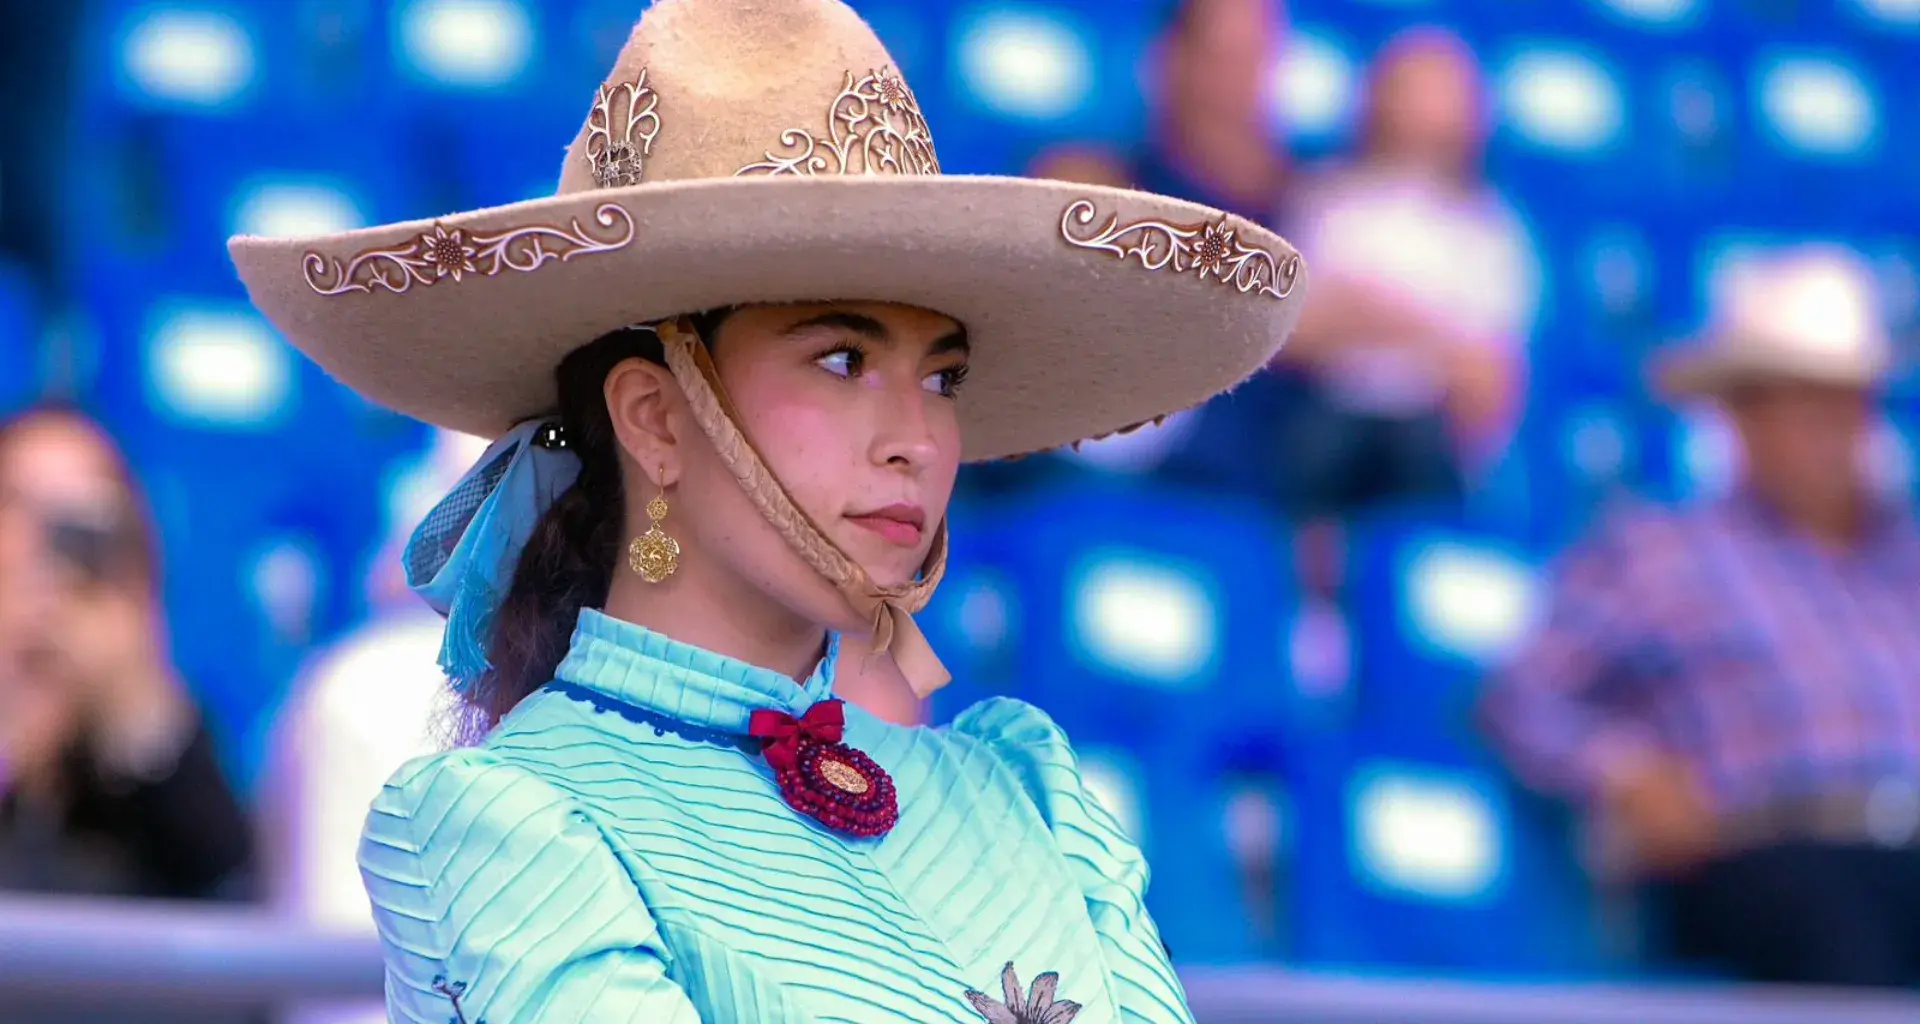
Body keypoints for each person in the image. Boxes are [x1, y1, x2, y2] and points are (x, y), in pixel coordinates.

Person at [226, 1, 1306, 1022]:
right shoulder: (504, 819)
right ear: (653, 415)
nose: (917, 438)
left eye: (942, 377)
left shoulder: (1027, 792)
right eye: (842, 359)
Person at [1479, 247, 1920, 988]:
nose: (1827, 426)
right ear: (1741, 416)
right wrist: (1623, 773)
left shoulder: (1903, 561)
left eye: (1843, 401)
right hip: (1778, 851)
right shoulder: (1661, 551)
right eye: (1796, 400)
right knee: (1831, 921)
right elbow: (1523, 696)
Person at [0, 403, 254, 904]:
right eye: (22, 505)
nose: (48, 544)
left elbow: (225, 880)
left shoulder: (155, 741)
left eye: (79, 516)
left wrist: (131, 694)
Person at [1277, 26, 1536, 518]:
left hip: (1429, 436)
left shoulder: (1492, 231)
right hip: (1327, 415)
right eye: (1409, 88)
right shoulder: (1326, 200)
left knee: (1418, 454)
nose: (1422, 109)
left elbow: (1489, 383)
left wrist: (1373, 319)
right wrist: (1428, 333)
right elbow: (1286, 332)